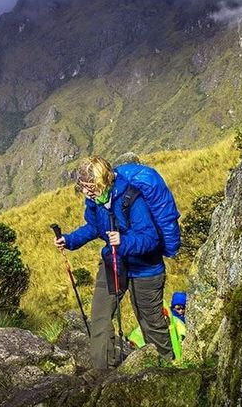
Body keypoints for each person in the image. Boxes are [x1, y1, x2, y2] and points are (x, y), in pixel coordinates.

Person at [53, 155, 177, 368]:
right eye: (83, 188)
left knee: (152, 325)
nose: (86, 193)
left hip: (145, 268)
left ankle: (165, 373)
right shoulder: (96, 200)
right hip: (113, 262)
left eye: (90, 188)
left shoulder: (132, 198)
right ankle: (102, 373)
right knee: (99, 318)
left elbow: (151, 239)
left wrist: (123, 241)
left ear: (103, 182)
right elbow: (93, 227)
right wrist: (70, 240)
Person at [127, 291, 187, 360]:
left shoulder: (182, 320)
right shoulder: (169, 318)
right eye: (178, 308)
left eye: (183, 308)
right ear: (173, 307)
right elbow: (140, 331)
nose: (181, 311)